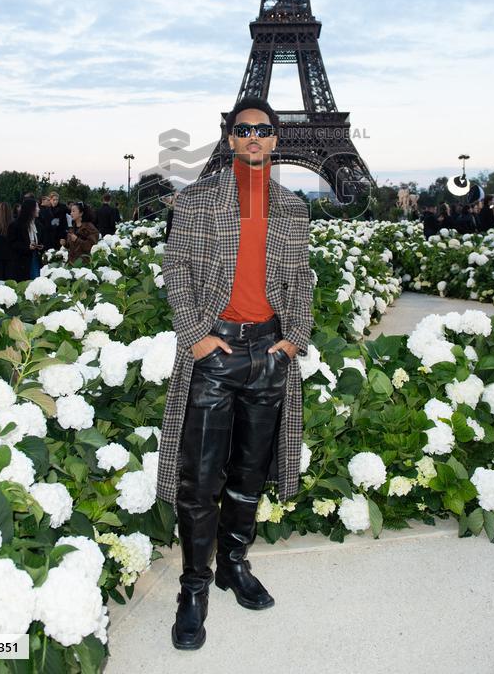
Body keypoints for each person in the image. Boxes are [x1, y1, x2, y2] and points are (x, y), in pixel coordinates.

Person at [158, 96, 314, 651]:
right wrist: (197, 336)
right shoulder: (197, 200)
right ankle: (193, 588)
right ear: (229, 138)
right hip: (215, 352)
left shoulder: (294, 208)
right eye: (243, 129)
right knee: (199, 481)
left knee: (249, 476)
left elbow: (303, 279)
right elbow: (174, 267)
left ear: (275, 140)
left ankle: (233, 564)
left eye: (263, 130)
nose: (253, 136)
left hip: (270, 353)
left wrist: (294, 339)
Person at [7, 197, 44, 281]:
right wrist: (27, 246)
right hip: (21, 262)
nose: (38, 209)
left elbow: (41, 239)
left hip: (35, 259)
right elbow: (12, 244)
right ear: (30, 209)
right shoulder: (15, 225)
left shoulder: (39, 225)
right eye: (37, 207)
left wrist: (40, 246)